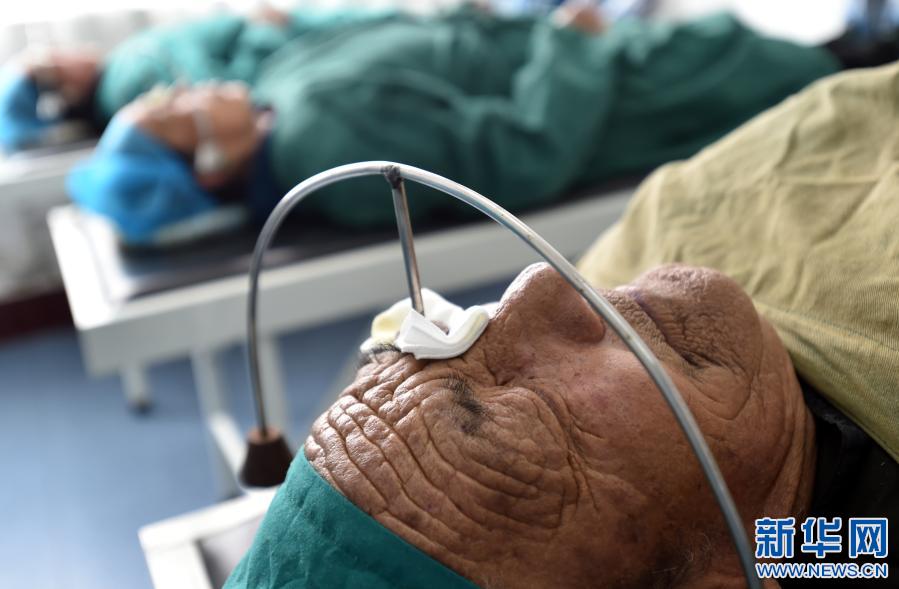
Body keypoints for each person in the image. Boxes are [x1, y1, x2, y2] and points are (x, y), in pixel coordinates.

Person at [224, 61, 898, 588]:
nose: (542, 285)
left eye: (447, 341)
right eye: (531, 413)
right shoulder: (842, 546)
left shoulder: (647, 286)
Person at [63, 2, 841, 245]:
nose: (186, 87)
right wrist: (568, 43)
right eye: (174, 113)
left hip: (558, 45)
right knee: (802, 72)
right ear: (207, 164)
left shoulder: (276, 92)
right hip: (628, 93)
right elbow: (526, 154)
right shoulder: (324, 146)